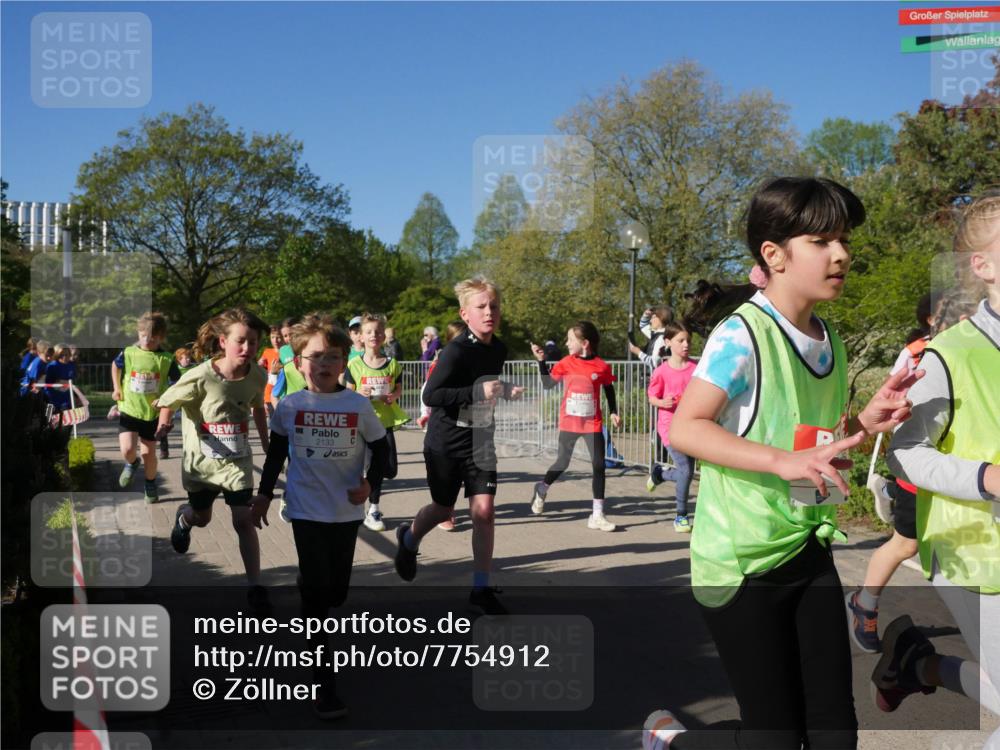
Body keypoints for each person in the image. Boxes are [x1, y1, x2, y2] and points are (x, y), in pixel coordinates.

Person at [647, 177, 921, 749]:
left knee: (833, 732)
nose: (841, 253)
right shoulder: (741, 335)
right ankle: (671, 741)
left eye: (843, 239)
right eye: (821, 240)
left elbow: (816, 446)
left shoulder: (831, 340)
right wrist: (779, 462)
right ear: (773, 255)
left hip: (806, 548)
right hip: (741, 562)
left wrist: (863, 425)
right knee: (772, 738)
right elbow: (690, 427)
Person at [875, 195, 999, 743]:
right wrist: (986, 478)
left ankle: (915, 665)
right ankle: (913, 665)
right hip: (975, 557)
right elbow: (906, 451)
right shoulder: (947, 354)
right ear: (984, 266)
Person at [253, 313, 388, 719]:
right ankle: (324, 683)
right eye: (315, 357)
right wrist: (262, 497)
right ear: (298, 363)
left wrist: (370, 484)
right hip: (306, 508)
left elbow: (382, 450)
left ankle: (311, 591)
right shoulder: (291, 405)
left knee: (336, 594)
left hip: (345, 510)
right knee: (316, 599)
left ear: (344, 362)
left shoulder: (356, 403)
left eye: (332, 356)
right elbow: (276, 454)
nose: (324, 364)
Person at [393, 277, 523, 615]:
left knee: (484, 512)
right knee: (442, 509)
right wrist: (478, 393)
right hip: (445, 442)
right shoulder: (455, 350)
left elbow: (484, 384)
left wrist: (504, 389)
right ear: (465, 314)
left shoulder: (499, 349)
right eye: (481, 307)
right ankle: (408, 539)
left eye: (493, 305)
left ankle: (480, 588)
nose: (489, 312)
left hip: (480, 440)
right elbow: (431, 396)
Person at [155, 307, 271, 612]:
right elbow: (169, 399)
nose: (248, 348)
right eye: (241, 341)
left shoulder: (258, 375)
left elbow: (259, 406)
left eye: (254, 342)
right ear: (223, 341)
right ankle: (184, 517)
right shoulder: (201, 376)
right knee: (202, 518)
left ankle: (255, 587)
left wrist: (266, 441)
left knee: (243, 521)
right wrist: (164, 422)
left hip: (236, 464)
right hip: (202, 466)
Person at [845, 292, 936, 653]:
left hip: (971, 468)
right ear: (932, 318)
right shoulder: (915, 353)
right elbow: (893, 403)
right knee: (907, 543)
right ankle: (864, 603)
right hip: (920, 461)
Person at [529, 321, 621, 531]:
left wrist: (614, 411)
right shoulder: (566, 362)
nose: (566, 343)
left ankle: (597, 514)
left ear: (584, 343)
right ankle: (542, 488)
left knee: (599, 465)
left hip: (592, 423)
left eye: (570, 339)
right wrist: (541, 362)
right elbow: (547, 384)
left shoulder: (601, 366)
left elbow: (609, 389)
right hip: (570, 422)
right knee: (562, 463)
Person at [345, 312, 409, 532]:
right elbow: (347, 394)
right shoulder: (354, 365)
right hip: (363, 425)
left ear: (384, 336)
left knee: (389, 469)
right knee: (372, 467)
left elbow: (398, 385)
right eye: (369, 331)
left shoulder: (392, 363)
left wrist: (395, 395)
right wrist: (358, 393)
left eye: (379, 331)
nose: (374, 335)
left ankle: (367, 489)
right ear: (361, 337)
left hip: (386, 423)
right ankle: (372, 509)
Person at [110, 313, 179, 503]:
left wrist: (165, 400)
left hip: (151, 415)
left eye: (152, 337)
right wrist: (117, 388)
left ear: (161, 337)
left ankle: (150, 482)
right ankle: (132, 463)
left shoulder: (167, 359)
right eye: (142, 335)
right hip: (130, 409)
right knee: (127, 449)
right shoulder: (129, 352)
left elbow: (177, 384)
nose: (146, 340)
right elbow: (115, 367)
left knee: (149, 454)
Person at [646, 322, 698, 533]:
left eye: (688, 341)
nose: (686, 345)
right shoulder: (661, 372)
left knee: (687, 471)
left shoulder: (696, 368)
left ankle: (659, 475)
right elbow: (651, 397)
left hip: (692, 426)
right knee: (685, 470)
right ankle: (681, 516)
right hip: (669, 427)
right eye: (680, 340)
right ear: (668, 342)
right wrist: (661, 403)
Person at [416, 320, 466, 531]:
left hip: (469, 428)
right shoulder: (442, 362)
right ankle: (443, 513)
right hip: (443, 427)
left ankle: (448, 508)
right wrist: (424, 414)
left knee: (461, 478)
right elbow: (428, 391)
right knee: (445, 479)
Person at [629, 305, 673, 370]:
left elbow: (653, 363)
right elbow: (643, 325)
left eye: (653, 317)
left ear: (661, 318)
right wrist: (646, 315)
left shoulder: (661, 338)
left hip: (656, 377)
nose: (650, 321)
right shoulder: (656, 334)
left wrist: (638, 352)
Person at [258, 324, 284, 418]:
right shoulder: (267, 352)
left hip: (284, 394)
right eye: (273, 337)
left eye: (279, 337)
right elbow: (260, 372)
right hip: (270, 394)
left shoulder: (288, 352)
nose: (275, 340)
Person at [44, 344, 74, 414]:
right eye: (61, 355)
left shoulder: (71, 365)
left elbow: (71, 380)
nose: (64, 357)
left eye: (67, 354)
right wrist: (58, 383)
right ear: (57, 355)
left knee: (67, 420)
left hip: (65, 398)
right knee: (48, 420)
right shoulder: (52, 366)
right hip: (52, 398)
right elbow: (46, 382)